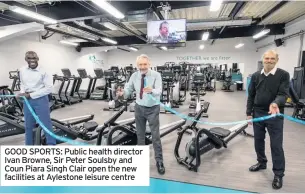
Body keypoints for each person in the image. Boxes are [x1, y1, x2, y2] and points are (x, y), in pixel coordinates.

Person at [246, 50, 290, 189]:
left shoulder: (283, 75)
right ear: (263, 60)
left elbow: (283, 94)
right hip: (258, 113)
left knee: (276, 145)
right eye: (267, 58)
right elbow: (251, 95)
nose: (269, 61)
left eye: (272, 58)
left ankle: (278, 174)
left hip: (274, 114)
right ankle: (261, 162)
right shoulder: (255, 76)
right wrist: (249, 113)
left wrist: (275, 103)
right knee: (258, 141)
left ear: (277, 60)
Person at [117, 54, 165, 175]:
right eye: (140, 64)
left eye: (144, 64)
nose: (142, 67)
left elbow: (159, 90)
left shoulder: (156, 75)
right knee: (140, 135)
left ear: (149, 64)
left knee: (155, 136)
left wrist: (152, 90)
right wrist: (123, 93)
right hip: (139, 108)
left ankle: (159, 161)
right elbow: (128, 89)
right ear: (137, 65)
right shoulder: (134, 75)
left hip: (153, 108)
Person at [17, 51, 56, 145]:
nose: (32, 60)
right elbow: (22, 83)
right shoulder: (22, 70)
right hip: (27, 100)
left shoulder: (44, 71)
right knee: (28, 126)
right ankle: (29, 146)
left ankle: (51, 145)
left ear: (37, 59)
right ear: (26, 60)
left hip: (40, 99)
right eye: (29, 58)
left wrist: (31, 95)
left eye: (34, 58)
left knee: (45, 124)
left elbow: (49, 88)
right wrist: (22, 93)